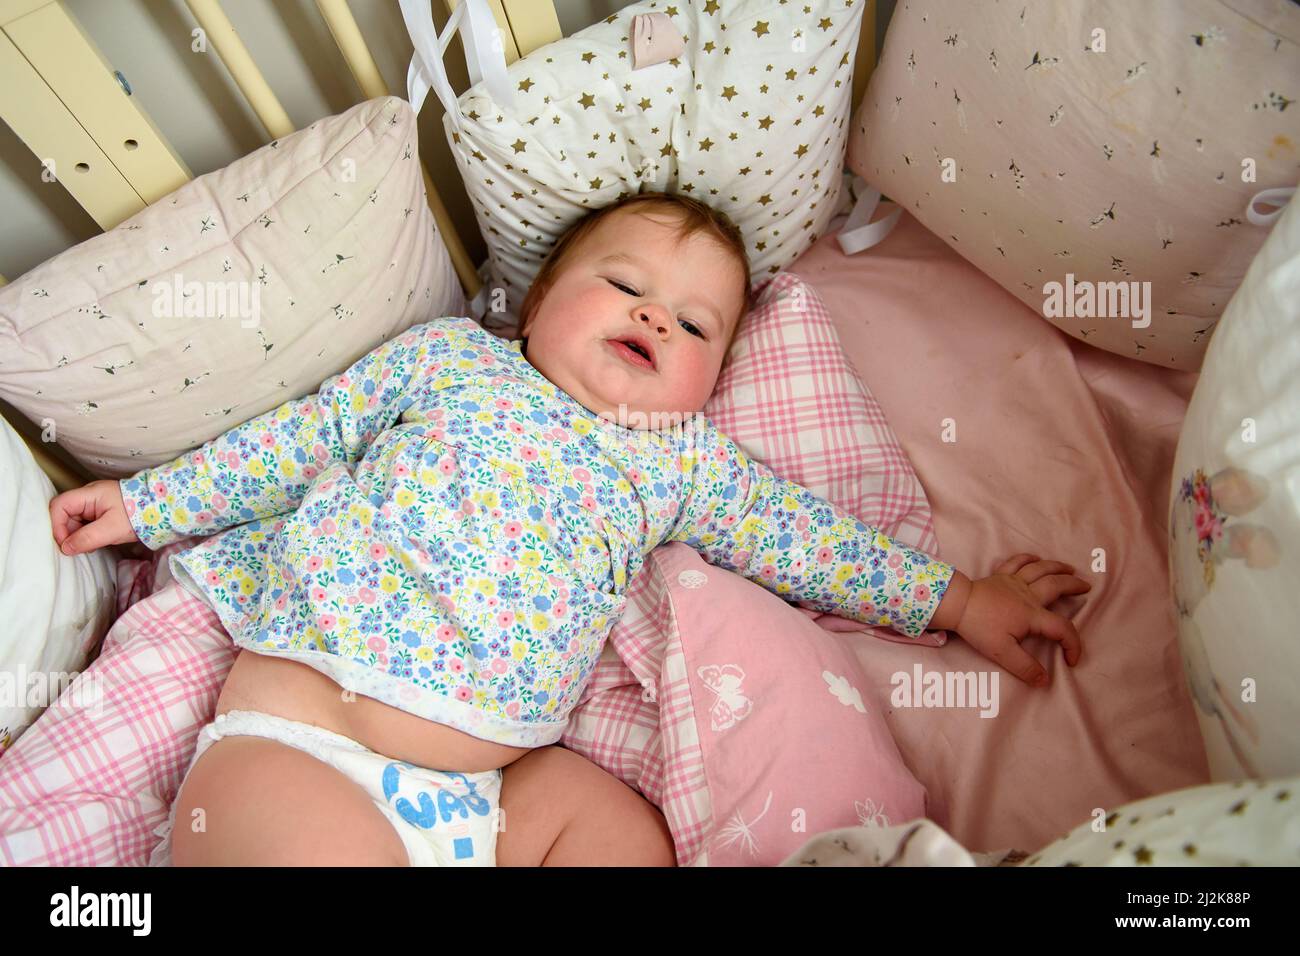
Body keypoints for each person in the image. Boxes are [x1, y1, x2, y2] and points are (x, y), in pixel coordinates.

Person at [49, 191, 1090, 867]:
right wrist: (149, 504)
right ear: (536, 302)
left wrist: (958, 598)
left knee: (624, 837)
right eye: (626, 286)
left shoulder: (679, 459)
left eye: (693, 325)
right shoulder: (450, 363)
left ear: (714, 379)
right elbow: (300, 436)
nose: (652, 319)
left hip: (501, 796)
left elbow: (802, 538)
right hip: (310, 739)